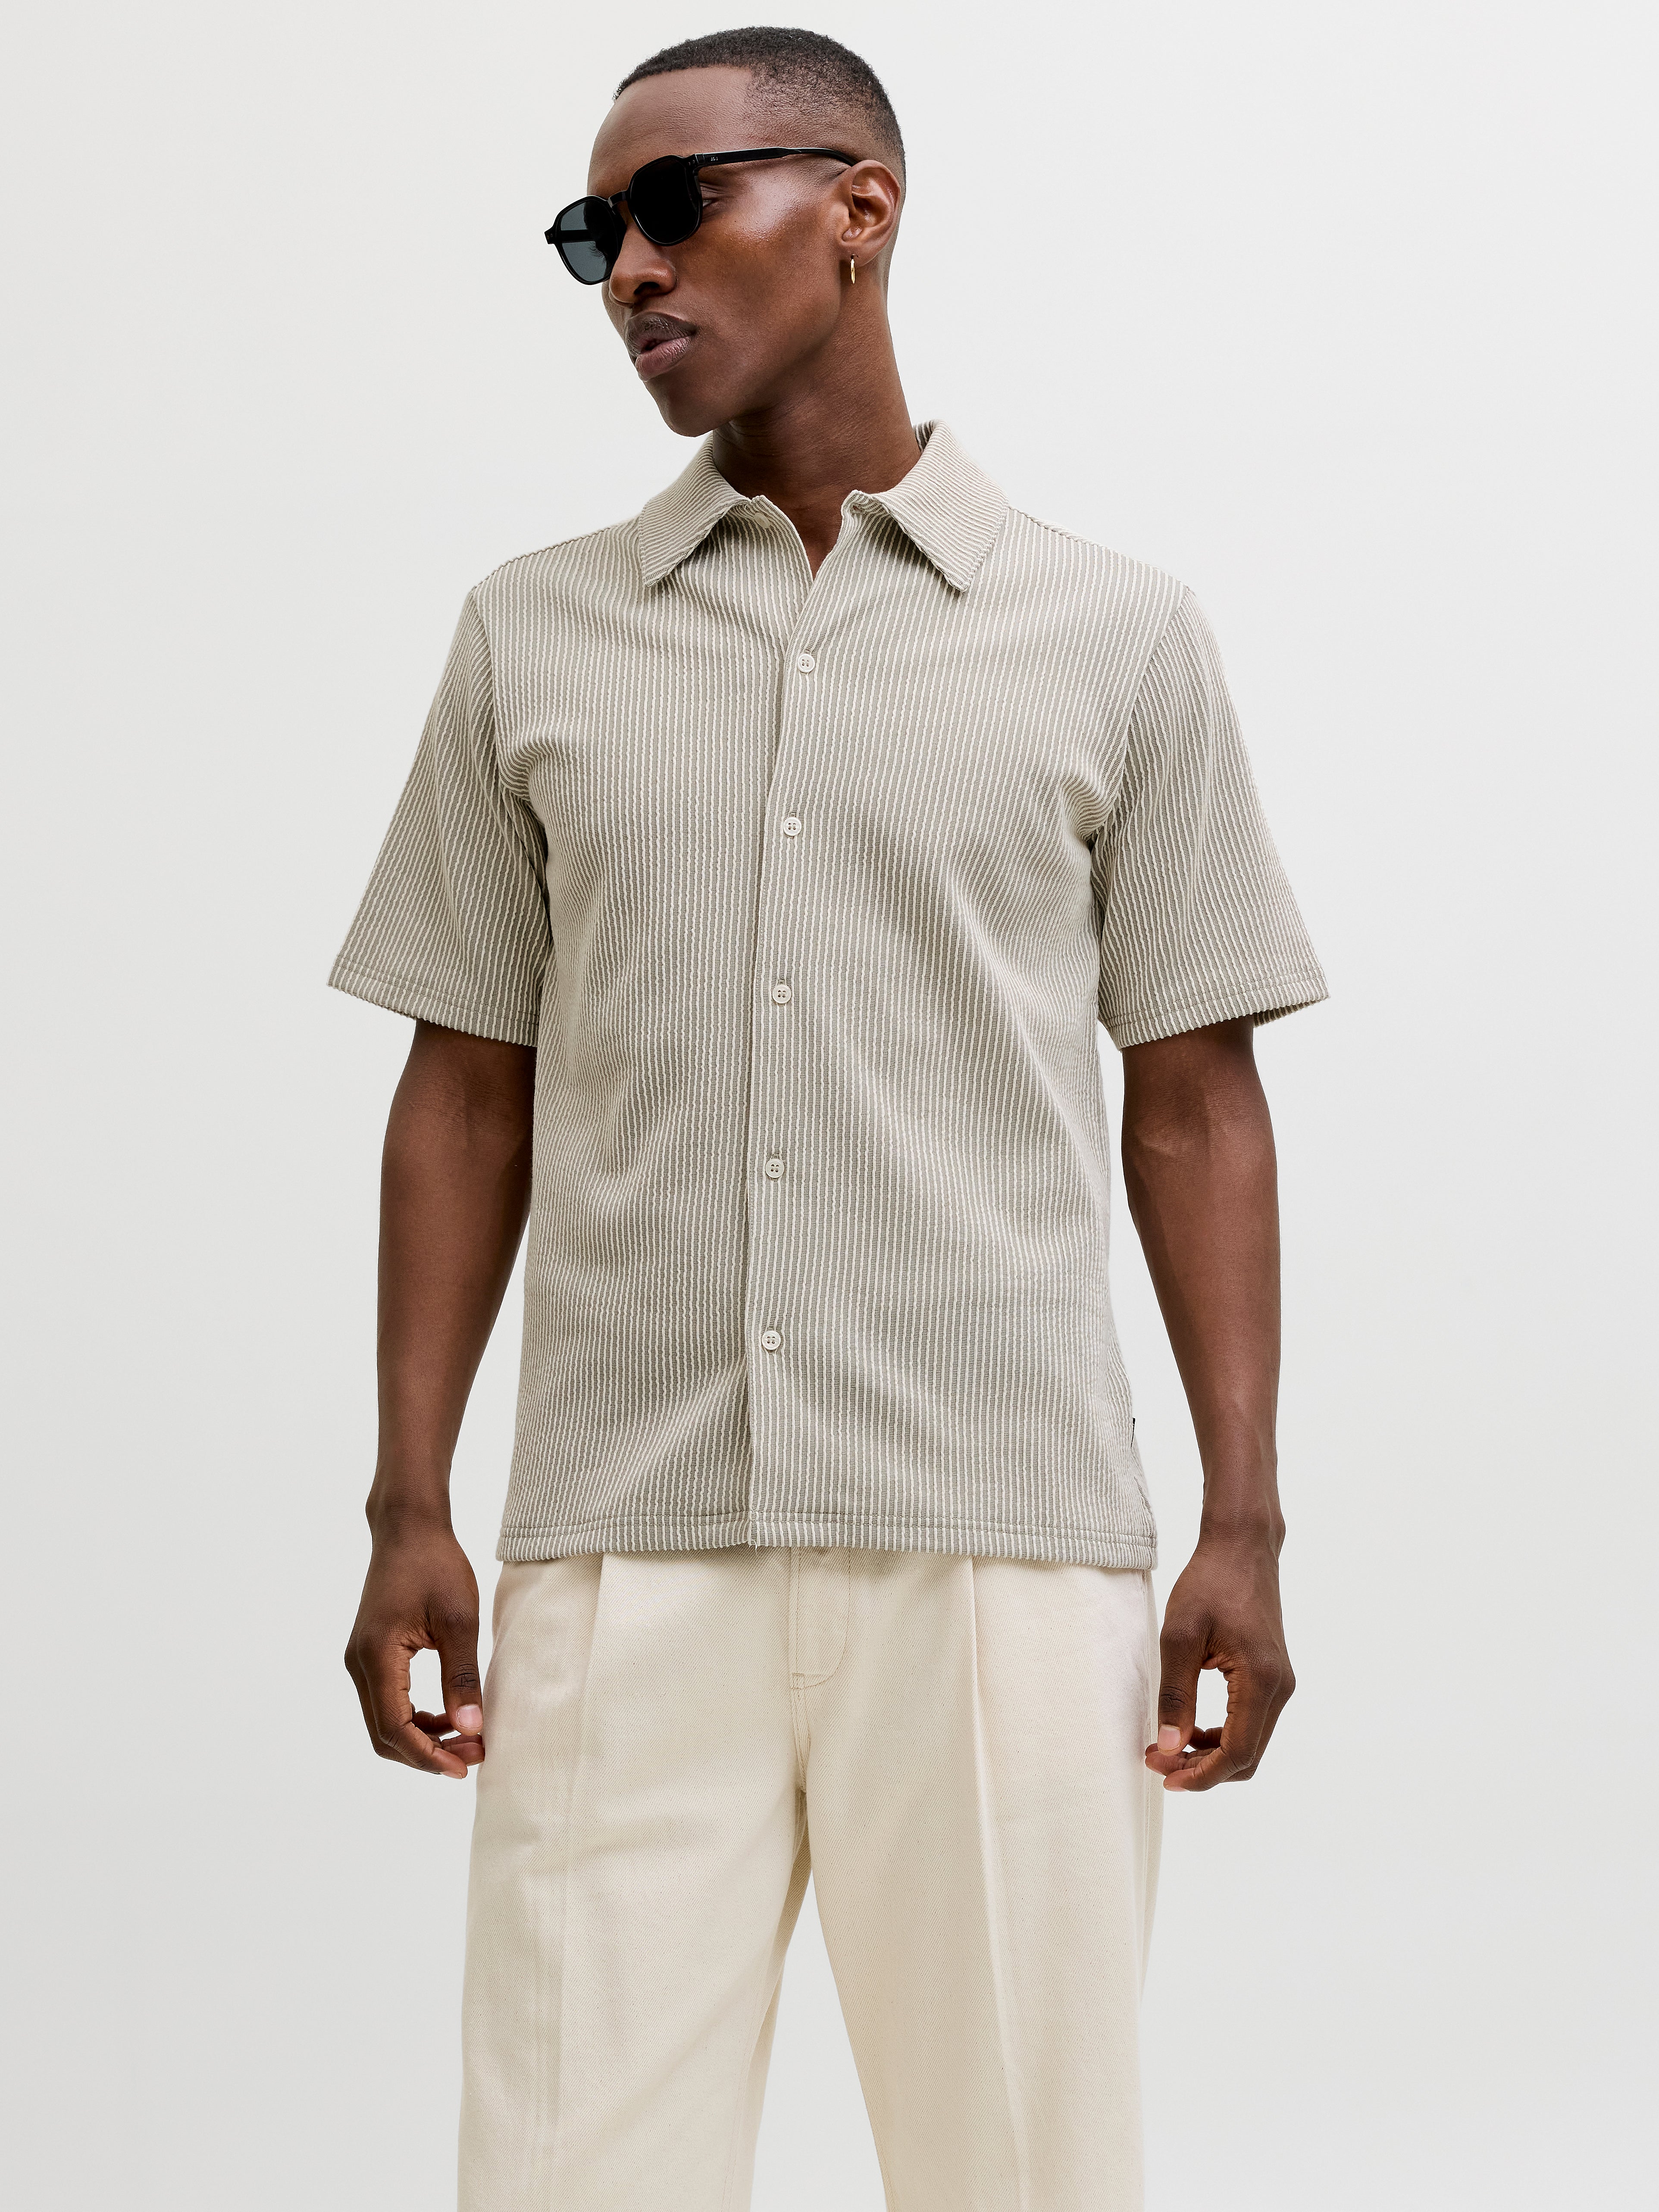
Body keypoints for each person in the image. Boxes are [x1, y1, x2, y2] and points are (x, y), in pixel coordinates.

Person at [333, 26, 1327, 2212]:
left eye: (671, 207)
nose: (627, 271)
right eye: (592, 235)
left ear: (859, 210)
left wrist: (1240, 1517)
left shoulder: (1113, 635)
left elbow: (1191, 1097)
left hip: (997, 1541)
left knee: (1022, 2174)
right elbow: (464, 1086)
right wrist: (410, 1498)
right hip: (622, 1535)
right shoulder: (531, 636)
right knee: (563, 2176)